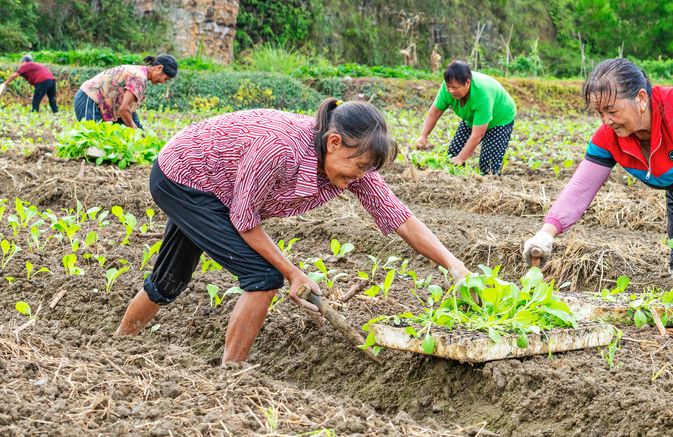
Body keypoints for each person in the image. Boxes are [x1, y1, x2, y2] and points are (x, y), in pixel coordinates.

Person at [115, 99, 471, 364]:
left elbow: (401, 218)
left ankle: (119, 345)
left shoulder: (352, 164)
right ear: (333, 143)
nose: (361, 176)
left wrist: (455, 265)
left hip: (215, 183)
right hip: (183, 177)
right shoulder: (280, 149)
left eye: (367, 169)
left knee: (172, 276)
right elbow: (244, 221)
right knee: (263, 276)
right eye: (359, 166)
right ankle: (229, 377)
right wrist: (291, 272)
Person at [522, 59, 673, 293]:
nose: (606, 121)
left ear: (641, 98)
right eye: (599, 113)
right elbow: (581, 188)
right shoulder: (609, 137)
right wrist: (546, 233)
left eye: (612, 111)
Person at [416, 60, 516, 175]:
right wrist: (423, 136)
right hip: (473, 119)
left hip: (500, 119)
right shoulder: (446, 89)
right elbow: (435, 111)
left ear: (467, 83)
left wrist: (461, 158)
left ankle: (488, 184)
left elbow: (477, 135)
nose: (451, 90)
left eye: (455, 87)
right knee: (453, 153)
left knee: (488, 164)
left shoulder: (482, 95)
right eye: (448, 86)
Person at [73, 54, 178, 130]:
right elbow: (124, 109)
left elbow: (129, 111)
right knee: (93, 137)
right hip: (89, 98)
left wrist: (139, 131)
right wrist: (135, 129)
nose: (163, 82)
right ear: (159, 68)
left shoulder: (140, 74)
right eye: (165, 78)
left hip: (99, 103)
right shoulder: (139, 77)